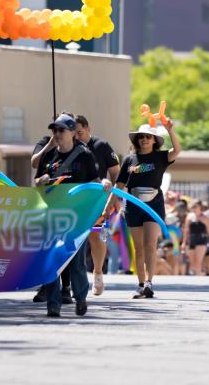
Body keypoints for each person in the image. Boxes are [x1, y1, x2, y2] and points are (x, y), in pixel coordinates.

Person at [33, 113, 111, 317]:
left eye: (61, 130)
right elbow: (37, 183)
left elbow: (94, 182)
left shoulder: (84, 155)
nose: (56, 134)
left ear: (72, 133)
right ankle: (53, 302)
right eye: (54, 130)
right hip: (52, 215)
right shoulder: (48, 156)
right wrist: (41, 180)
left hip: (76, 217)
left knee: (75, 260)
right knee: (51, 260)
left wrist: (104, 184)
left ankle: (81, 297)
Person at [112, 120, 181, 299]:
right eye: (141, 137)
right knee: (139, 248)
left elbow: (177, 151)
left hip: (154, 203)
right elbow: (118, 185)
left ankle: (150, 282)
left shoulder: (160, 158)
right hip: (134, 204)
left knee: (151, 245)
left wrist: (170, 130)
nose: (144, 140)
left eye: (148, 137)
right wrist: (109, 207)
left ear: (154, 140)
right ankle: (141, 284)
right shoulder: (129, 159)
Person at [74, 114, 120, 296]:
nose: (77, 137)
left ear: (88, 129)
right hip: (76, 201)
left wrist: (114, 197)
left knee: (97, 238)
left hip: (99, 200)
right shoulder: (72, 148)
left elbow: (116, 174)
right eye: (74, 133)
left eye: (80, 132)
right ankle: (73, 281)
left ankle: (98, 273)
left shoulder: (101, 146)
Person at [183, 201, 209, 276]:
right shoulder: (189, 216)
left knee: (198, 261)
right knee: (192, 262)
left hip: (201, 240)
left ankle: (198, 277)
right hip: (191, 240)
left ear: (200, 207)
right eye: (193, 206)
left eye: (195, 206)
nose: (194, 208)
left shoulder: (205, 218)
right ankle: (198, 275)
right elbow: (186, 230)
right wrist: (184, 243)